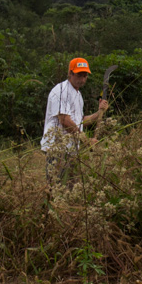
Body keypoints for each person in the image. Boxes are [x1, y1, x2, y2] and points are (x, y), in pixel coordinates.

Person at [41, 57, 109, 187]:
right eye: (79, 75)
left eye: (85, 76)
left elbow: (80, 121)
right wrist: (86, 140)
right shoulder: (61, 91)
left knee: (70, 188)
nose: (82, 79)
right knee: (56, 188)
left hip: (71, 149)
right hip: (57, 148)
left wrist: (99, 112)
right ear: (70, 73)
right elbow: (65, 121)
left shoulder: (78, 95)